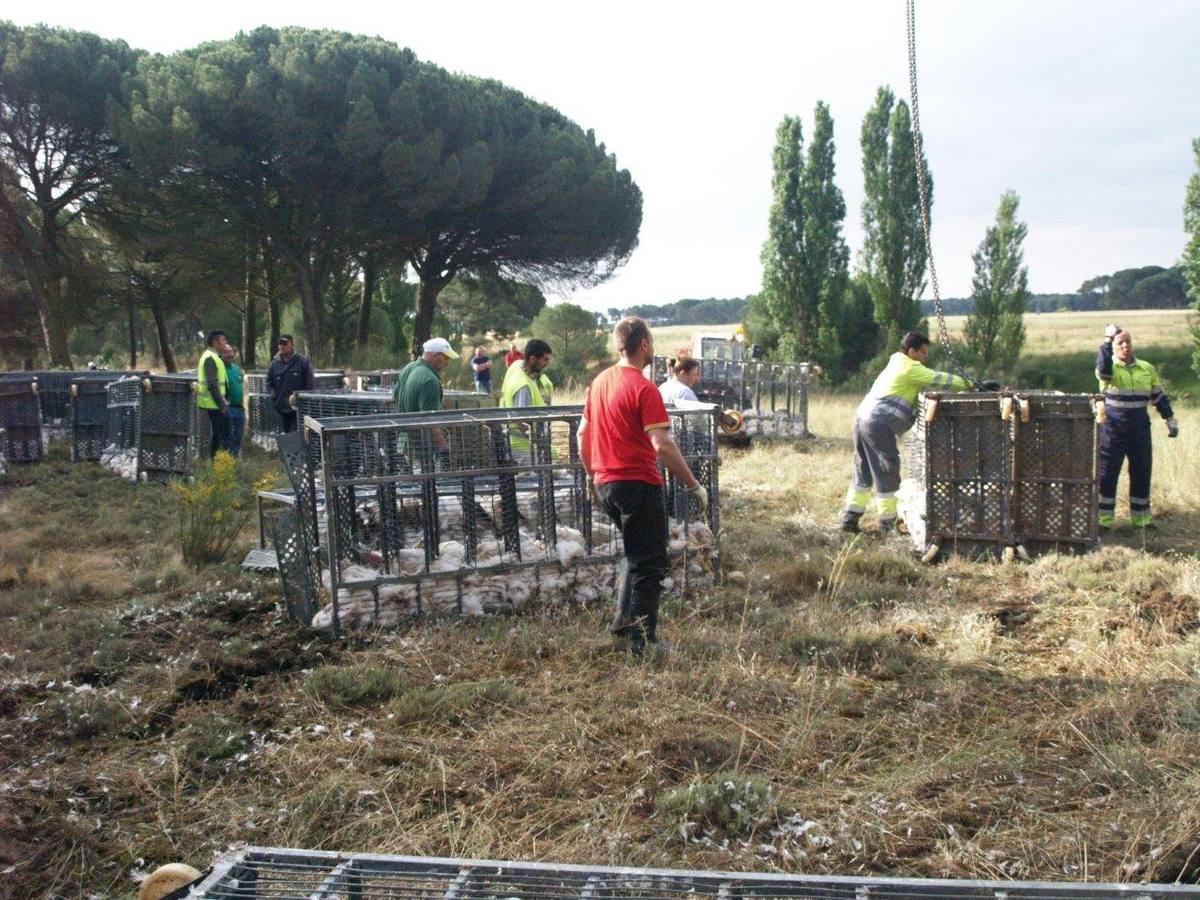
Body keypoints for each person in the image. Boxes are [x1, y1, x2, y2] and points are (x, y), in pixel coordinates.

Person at [579, 316, 709, 657]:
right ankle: (642, 643)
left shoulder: (599, 382)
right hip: (637, 483)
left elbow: (582, 434)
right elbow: (662, 445)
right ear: (645, 345)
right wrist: (693, 484)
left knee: (636, 557)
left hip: (607, 484)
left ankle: (623, 627)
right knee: (650, 563)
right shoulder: (643, 387)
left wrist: (593, 474)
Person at [842, 331, 975, 534]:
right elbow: (939, 378)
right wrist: (972, 384)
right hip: (877, 423)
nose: (925, 357)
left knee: (864, 469)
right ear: (911, 351)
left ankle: (849, 519)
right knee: (887, 469)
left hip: (861, 418)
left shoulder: (895, 363)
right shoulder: (909, 368)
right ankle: (887, 524)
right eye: (923, 352)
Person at [1096, 325, 1177, 529]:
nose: (1125, 346)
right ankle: (1103, 522)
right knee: (1107, 475)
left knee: (1141, 473)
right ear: (1113, 347)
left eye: (1127, 342)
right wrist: (1106, 340)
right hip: (1113, 430)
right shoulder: (1108, 368)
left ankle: (1142, 521)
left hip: (1139, 429)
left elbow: (1158, 396)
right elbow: (1103, 368)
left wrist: (1169, 419)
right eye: (1119, 343)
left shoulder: (1146, 368)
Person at [395, 337, 458, 453]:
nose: (447, 362)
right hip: (422, 449)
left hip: (404, 444)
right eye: (445, 358)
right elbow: (430, 420)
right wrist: (444, 447)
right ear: (434, 355)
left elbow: (395, 396)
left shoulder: (408, 368)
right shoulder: (430, 380)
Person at [266, 334, 316, 433]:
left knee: (296, 434)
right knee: (285, 434)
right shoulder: (274, 364)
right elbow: (269, 383)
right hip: (281, 408)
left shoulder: (302, 361)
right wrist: (275, 398)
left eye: (285, 343)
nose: (282, 346)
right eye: (280, 344)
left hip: (299, 408)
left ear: (291, 345)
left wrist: (306, 400)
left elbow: (310, 383)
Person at [197, 330, 232, 458]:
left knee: (219, 436)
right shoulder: (209, 358)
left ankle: (219, 465)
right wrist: (222, 406)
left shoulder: (214, 357)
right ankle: (218, 466)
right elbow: (212, 384)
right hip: (214, 405)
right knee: (221, 437)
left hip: (215, 404)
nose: (225, 343)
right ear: (216, 342)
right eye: (223, 340)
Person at [220, 346, 245, 458]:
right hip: (227, 408)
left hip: (240, 408)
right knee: (226, 437)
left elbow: (243, 385)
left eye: (231, 352)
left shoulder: (237, 369)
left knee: (238, 437)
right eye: (226, 352)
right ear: (221, 354)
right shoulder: (220, 369)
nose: (230, 354)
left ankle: (234, 460)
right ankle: (225, 462)